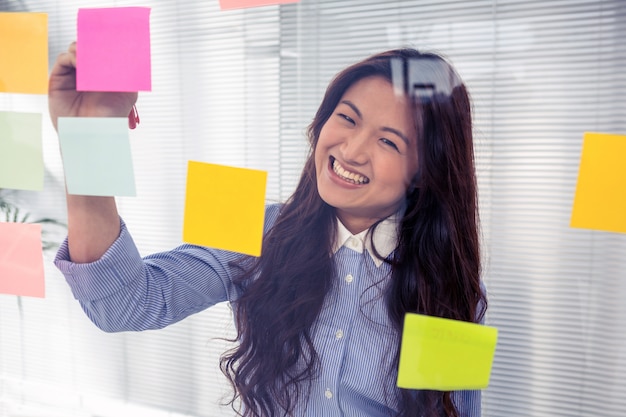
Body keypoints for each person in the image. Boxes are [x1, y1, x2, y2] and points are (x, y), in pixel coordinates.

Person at [49, 42, 487, 417]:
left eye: (389, 141)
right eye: (347, 118)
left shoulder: (449, 282)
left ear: (426, 171)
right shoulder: (255, 224)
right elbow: (123, 303)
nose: (351, 150)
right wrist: (88, 134)